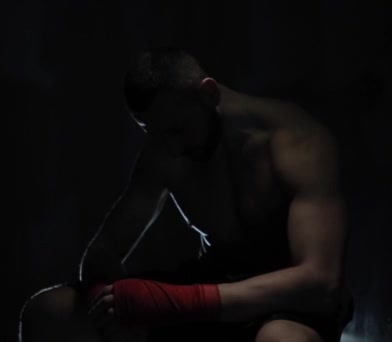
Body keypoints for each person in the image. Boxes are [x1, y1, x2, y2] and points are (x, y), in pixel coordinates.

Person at [19, 48, 353, 342]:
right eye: (155, 133)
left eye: (178, 129)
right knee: (48, 312)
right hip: (212, 290)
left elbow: (320, 282)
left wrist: (170, 303)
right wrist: (113, 314)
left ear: (208, 94)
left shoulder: (298, 143)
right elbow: (102, 252)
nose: (173, 147)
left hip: (285, 306)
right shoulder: (165, 151)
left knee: (282, 341)